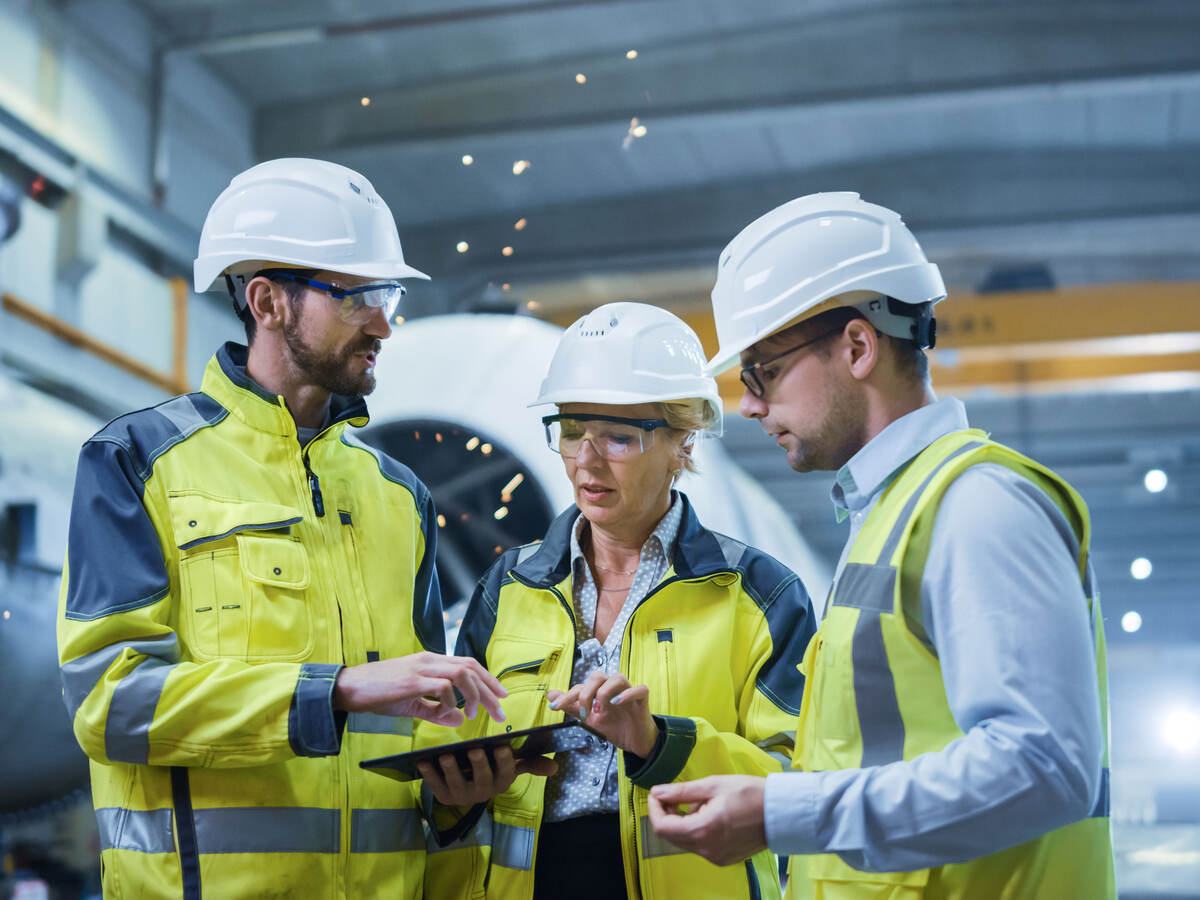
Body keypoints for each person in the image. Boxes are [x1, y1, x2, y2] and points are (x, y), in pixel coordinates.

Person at [55, 158, 510, 900]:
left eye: (387, 294)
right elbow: (111, 702)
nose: (385, 323)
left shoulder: (400, 496)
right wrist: (334, 691)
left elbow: (421, 723)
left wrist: (457, 793)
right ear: (267, 301)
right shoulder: (136, 462)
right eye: (358, 296)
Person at [647, 192, 1116, 898]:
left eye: (764, 371)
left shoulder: (975, 506)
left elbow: (1044, 766)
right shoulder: (891, 515)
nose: (748, 404)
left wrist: (784, 813)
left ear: (859, 347)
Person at [419, 302, 816, 899]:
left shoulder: (757, 594)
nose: (586, 461)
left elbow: (798, 785)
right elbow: (442, 756)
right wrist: (451, 795)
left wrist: (661, 742)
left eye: (618, 438)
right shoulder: (508, 587)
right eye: (572, 431)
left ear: (683, 442)